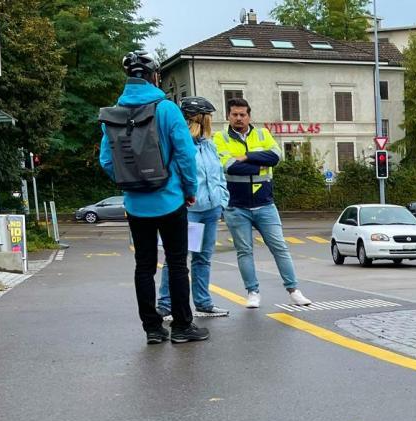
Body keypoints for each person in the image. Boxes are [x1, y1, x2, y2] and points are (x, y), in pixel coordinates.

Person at [99, 51, 209, 345]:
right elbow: (186, 154)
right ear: (153, 76)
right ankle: (183, 327)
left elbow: (107, 161)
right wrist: (188, 190)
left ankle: (153, 329)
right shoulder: (167, 109)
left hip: (136, 205)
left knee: (144, 266)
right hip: (170, 199)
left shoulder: (112, 114)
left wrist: (129, 183)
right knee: (176, 263)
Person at [214, 97, 311, 308]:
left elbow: (275, 157)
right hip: (236, 206)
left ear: (249, 116)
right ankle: (252, 292)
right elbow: (228, 166)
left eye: (243, 115)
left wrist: (246, 156)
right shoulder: (220, 138)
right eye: (234, 115)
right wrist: (259, 164)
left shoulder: (262, 134)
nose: (239, 118)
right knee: (244, 251)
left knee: (280, 248)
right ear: (228, 116)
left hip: (265, 204)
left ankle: (294, 291)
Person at [157, 97, 230, 318]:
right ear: (201, 118)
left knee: (203, 258)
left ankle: (203, 302)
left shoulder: (210, 145)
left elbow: (218, 176)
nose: (211, 121)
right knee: (176, 259)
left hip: (211, 209)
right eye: (209, 117)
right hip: (188, 210)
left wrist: (222, 201)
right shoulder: (179, 145)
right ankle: (166, 304)